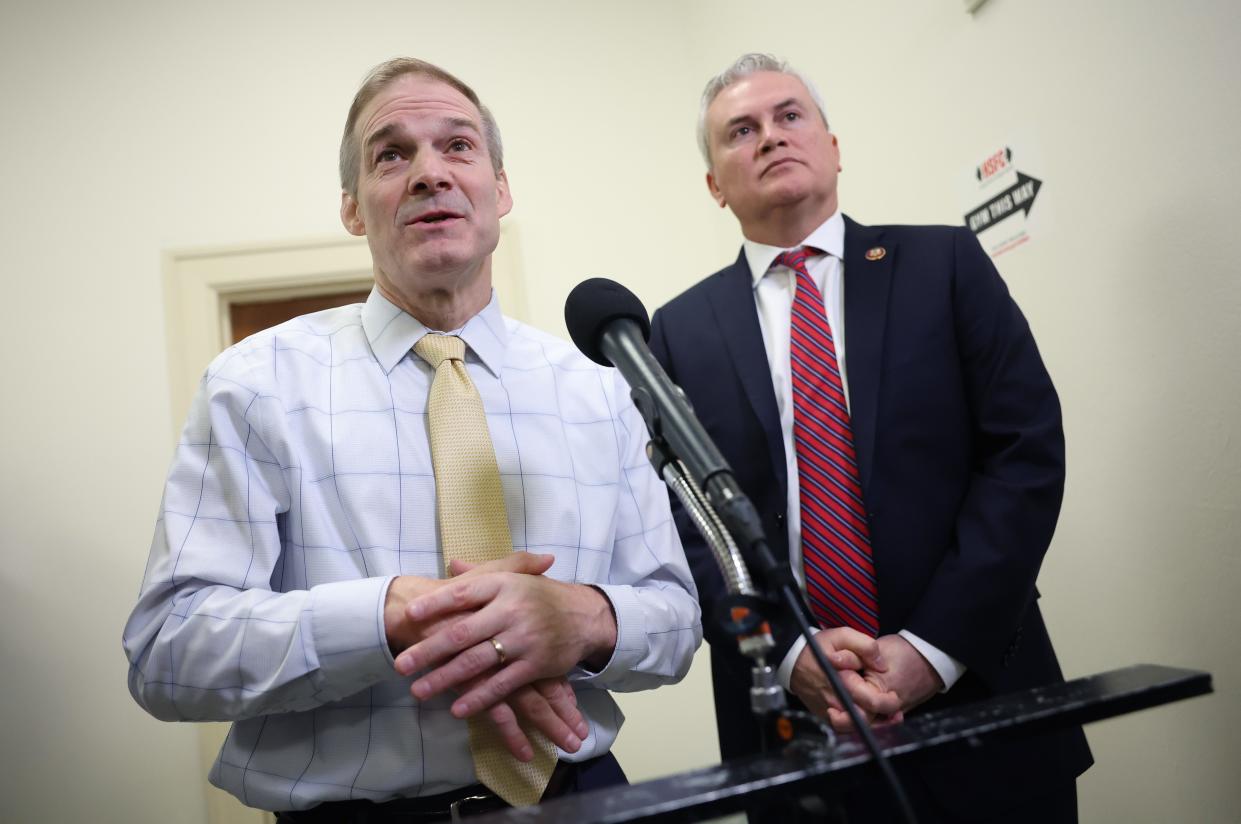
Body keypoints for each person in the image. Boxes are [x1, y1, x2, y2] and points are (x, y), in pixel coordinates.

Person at [123, 57, 701, 821]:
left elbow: (675, 617)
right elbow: (168, 651)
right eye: (391, 154)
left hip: (584, 799)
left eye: (458, 147)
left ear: (501, 189)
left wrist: (586, 620)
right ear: (353, 208)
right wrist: (387, 615)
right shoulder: (253, 385)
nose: (430, 172)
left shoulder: (597, 386)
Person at [648, 53, 1092, 823]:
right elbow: (685, 525)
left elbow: (1023, 453)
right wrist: (794, 659)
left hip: (983, 690)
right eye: (740, 131)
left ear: (833, 145)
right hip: (795, 733)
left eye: (790, 116)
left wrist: (929, 650)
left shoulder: (943, 263)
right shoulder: (675, 332)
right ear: (714, 186)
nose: (770, 137)